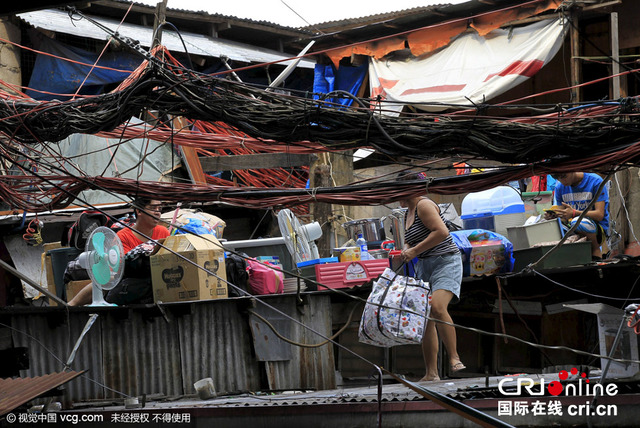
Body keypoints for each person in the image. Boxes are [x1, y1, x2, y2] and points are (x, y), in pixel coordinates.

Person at [398, 172, 465, 382]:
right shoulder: (406, 212)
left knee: (437, 307)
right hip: (424, 266)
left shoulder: (423, 205)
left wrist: (414, 251)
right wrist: (406, 248)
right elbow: (411, 239)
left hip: (446, 261)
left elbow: (442, 232)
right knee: (425, 319)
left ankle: (455, 358)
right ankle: (431, 373)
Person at [68, 198, 170, 306]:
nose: (158, 212)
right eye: (153, 208)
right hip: (128, 282)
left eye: (160, 208)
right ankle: (71, 305)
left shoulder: (163, 232)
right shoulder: (123, 237)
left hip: (157, 279)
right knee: (107, 280)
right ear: (139, 211)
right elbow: (118, 271)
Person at [544, 172, 609, 259]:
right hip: (572, 228)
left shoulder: (595, 181)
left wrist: (575, 213)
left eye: (564, 176)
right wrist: (553, 216)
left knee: (579, 221)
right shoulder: (560, 187)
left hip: (596, 228)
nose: (562, 181)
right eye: (558, 178)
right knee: (547, 226)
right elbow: (563, 218)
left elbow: (599, 215)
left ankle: (595, 251)